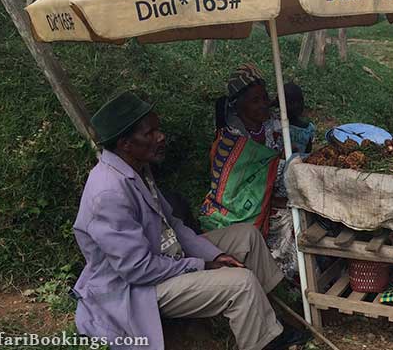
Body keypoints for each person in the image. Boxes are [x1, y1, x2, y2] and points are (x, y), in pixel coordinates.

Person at [73, 91, 308, 350]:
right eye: (149, 133)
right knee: (239, 283)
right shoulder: (109, 192)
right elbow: (137, 270)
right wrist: (202, 264)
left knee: (247, 236)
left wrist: (214, 256)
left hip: (163, 258)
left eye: (158, 129)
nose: (160, 137)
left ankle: (270, 315)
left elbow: (172, 225)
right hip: (134, 290)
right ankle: (265, 343)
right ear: (125, 144)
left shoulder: (136, 168)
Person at [200, 63, 297, 279]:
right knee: (293, 217)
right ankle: (282, 276)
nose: (263, 105)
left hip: (271, 199)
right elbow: (269, 172)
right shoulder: (231, 140)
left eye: (264, 98)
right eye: (255, 101)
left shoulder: (271, 125)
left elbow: (284, 158)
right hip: (235, 211)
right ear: (237, 105)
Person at [284, 82, 316, 154]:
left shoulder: (308, 129)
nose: (297, 105)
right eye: (291, 102)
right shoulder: (278, 127)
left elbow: (308, 152)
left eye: (300, 101)